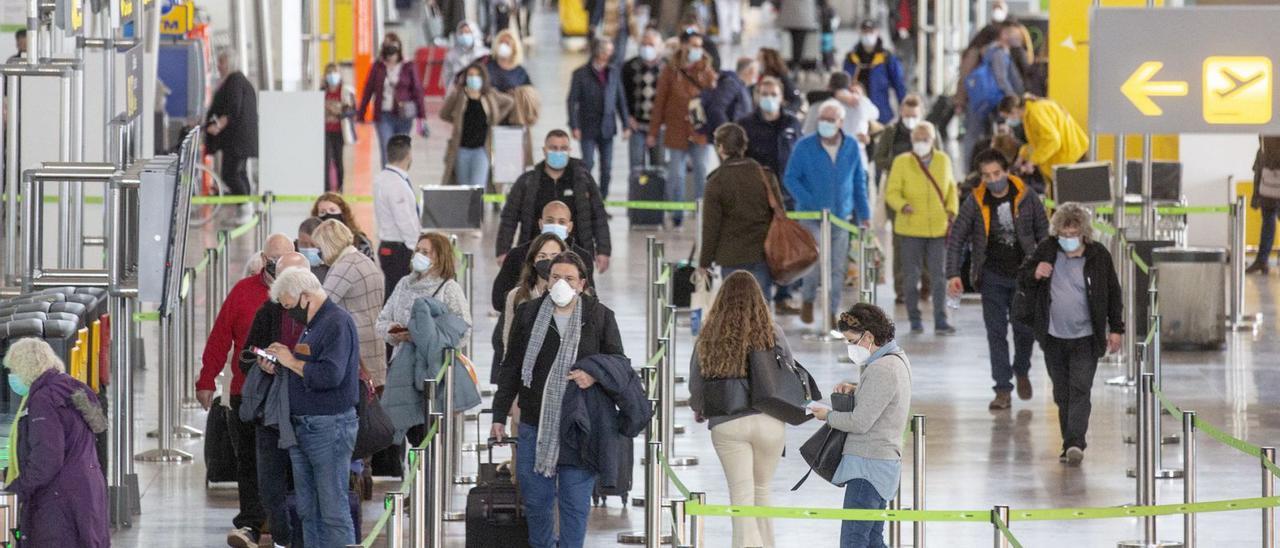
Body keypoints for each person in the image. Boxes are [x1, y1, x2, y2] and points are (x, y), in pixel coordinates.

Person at [490, 252, 625, 548]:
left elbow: (619, 363)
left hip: (579, 424)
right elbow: (511, 367)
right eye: (555, 277)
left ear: (582, 284)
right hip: (534, 423)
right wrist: (498, 415)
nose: (561, 283)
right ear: (546, 280)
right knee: (537, 502)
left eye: (569, 278)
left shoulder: (599, 317)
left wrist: (594, 374)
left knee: (574, 505)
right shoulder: (529, 314)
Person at [195, 233, 293, 548]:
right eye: (273, 258)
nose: (277, 265)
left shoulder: (303, 294)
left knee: (285, 460)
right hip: (246, 393)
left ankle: (284, 524)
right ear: (263, 259)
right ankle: (250, 523)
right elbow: (220, 337)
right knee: (248, 462)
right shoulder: (243, 292)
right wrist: (206, 380)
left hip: (288, 395)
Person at [687, 272, 792, 548]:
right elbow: (789, 371)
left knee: (741, 494)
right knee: (762, 490)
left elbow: (696, 384)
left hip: (727, 422)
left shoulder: (709, 335)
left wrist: (700, 408)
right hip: (769, 420)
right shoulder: (772, 331)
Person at [1019, 203, 1124, 464]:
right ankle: (1069, 442)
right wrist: (1035, 272)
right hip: (1053, 336)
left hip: (1087, 338)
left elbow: (1113, 292)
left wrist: (1116, 329)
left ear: (1084, 233)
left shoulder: (1098, 256)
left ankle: (1076, 442)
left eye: (1073, 234)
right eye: (1063, 235)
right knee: (1062, 393)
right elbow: (1023, 277)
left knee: (1080, 388)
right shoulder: (1047, 250)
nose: (1068, 239)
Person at [264, 268, 361, 548]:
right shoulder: (313, 324)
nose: (287, 313)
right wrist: (279, 361)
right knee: (308, 509)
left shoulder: (336, 322)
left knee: (332, 508)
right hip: (303, 427)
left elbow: (330, 375)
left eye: (288, 306)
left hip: (328, 428)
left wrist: (290, 361)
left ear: (305, 297)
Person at [946, 149, 1048, 410]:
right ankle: (1002, 388)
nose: (993, 180)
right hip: (991, 276)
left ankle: (1022, 368)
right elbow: (957, 238)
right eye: (987, 176)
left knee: (1024, 329)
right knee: (996, 333)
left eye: (997, 174)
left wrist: (1045, 265)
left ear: (1007, 171)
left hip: (1025, 276)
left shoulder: (1027, 197)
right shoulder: (975, 202)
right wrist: (953, 274)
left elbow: (1044, 233)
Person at [810, 304, 912, 548]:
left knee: (853, 541)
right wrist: (858, 389)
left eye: (851, 341)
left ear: (868, 336)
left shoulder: (881, 369)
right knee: (873, 540)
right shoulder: (897, 358)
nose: (850, 347)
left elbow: (859, 422)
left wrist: (828, 415)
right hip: (882, 466)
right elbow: (887, 398)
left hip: (867, 467)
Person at [237, 251, 312, 548]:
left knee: (304, 486)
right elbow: (246, 355)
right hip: (270, 413)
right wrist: (262, 361)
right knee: (270, 487)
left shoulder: (324, 313)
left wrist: (293, 362)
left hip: (307, 413)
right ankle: (283, 538)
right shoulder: (268, 310)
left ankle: (302, 541)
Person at [3, 338, 107, 548]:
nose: (11, 377)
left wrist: (13, 491)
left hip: (58, 502)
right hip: (85, 491)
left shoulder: (43, 400)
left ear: (26, 368)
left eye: (13, 370)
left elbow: (47, 459)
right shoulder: (69, 386)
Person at [784, 100, 872, 326]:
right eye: (822, 119)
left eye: (831, 120)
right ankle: (808, 299)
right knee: (813, 261)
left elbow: (858, 182)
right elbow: (790, 178)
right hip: (810, 216)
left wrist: (865, 214)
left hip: (841, 217)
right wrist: (809, 201)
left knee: (837, 266)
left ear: (841, 122)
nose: (826, 123)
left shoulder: (851, 146)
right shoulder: (804, 146)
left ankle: (832, 312)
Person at [497, 129, 612, 272]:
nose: (558, 152)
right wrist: (503, 250)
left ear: (569, 150)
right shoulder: (528, 181)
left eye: (563, 148)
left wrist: (603, 250)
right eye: (553, 148)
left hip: (577, 256)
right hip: (534, 255)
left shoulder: (584, 181)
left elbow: (599, 216)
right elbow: (509, 217)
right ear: (544, 150)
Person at [884, 121, 958, 334]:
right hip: (910, 229)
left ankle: (940, 320)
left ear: (933, 140)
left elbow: (951, 188)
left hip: (938, 227)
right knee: (910, 276)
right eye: (917, 139)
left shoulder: (943, 160)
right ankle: (914, 319)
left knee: (939, 275)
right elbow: (892, 192)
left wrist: (952, 211)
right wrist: (902, 205)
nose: (921, 143)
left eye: (925, 139)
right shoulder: (902, 162)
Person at [699, 123, 784, 300]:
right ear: (744, 146)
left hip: (731, 258)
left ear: (721, 147)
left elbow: (711, 228)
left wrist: (704, 263)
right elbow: (780, 213)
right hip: (762, 254)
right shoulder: (765, 176)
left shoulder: (716, 182)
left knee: (735, 312)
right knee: (761, 311)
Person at [648, 30, 716, 226]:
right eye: (692, 45)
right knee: (675, 174)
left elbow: (715, 103)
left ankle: (702, 211)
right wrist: (653, 132)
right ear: (683, 45)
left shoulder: (707, 71)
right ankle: (677, 214)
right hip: (676, 130)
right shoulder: (670, 71)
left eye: (699, 45)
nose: (696, 49)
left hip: (699, 132)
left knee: (701, 172)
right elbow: (659, 103)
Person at [313, 220, 388, 386]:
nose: (318, 253)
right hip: (373, 344)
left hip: (358, 352)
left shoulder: (345, 266)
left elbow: (321, 305)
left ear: (328, 245)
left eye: (319, 248)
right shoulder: (363, 260)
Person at [377, 232, 473, 359]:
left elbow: (463, 330)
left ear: (440, 257)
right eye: (417, 250)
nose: (418, 255)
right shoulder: (404, 284)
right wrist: (392, 330)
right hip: (402, 362)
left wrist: (422, 337)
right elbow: (382, 321)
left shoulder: (449, 288)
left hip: (434, 364)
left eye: (425, 252)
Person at [492, 232, 568, 384]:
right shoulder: (516, 297)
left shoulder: (574, 296)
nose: (548, 261)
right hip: (526, 376)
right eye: (542, 256)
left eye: (554, 256)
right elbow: (509, 340)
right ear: (533, 261)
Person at [492, 200, 595, 312]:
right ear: (541, 224)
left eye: (561, 222)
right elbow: (498, 300)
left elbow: (590, 301)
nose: (555, 225)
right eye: (550, 221)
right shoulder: (518, 255)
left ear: (569, 226)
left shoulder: (583, 258)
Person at [568, 37, 631, 200]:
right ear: (598, 52)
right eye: (606, 51)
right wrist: (574, 125)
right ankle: (586, 199)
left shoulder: (614, 73)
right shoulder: (580, 74)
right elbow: (572, 101)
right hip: (587, 126)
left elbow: (620, 100)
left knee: (607, 167)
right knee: (588, 164)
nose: (608, 54)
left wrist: (626, 124)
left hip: (607, 127)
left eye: (610, 51)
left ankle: (601, 200)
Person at [357, 32, 427, 166]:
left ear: (399, 48)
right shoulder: (378, 67)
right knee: (386, 150)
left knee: (401, 152)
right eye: (388, 46)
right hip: (383, 116)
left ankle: (400, 181)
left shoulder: (408, 66)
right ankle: (387, 183)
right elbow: (368, 90)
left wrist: (421, 115)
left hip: (404, 115)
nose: (391, 50)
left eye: (394, 47)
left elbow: (417, 90)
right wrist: (361, 113)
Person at [206, 47, 260, 223]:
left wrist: (218, 126)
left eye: (221, 62)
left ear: (228, 63)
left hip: (237, 140)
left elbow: (233, 108)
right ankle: (244, 208)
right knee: (239, 172)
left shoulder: (235, 81)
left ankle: (245, 207)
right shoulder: (238, 81)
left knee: (231, 173)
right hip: (240, 139)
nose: (219, 66)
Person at [962, 22, 1027, 166]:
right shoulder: (999, 52)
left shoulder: (988, 51)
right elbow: (1001, 79)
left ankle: (973, 167)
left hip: (981, 100)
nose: (1017, 40)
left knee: (975, 134)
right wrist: (1013, 97)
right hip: (994, 99)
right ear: (1003, 35)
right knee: (983, 135)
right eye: (1014, 35)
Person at [441, 62, 514, 187]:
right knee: (463, 188)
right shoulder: (459, 95)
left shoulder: (489, 95)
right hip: (461, 149)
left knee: (478, 187)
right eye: (470, 75)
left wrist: (495, 117)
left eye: (477, 75)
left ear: (482, 78)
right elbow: (444, 113)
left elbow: (509, 102)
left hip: (481, 150)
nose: (473, 78)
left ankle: (478, 207)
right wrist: (457, 120)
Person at [997, 94, 1088, 194]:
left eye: (1007, 117)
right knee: (1059, 201)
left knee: (1073, 201)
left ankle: (1103, 210)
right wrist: (1022, 155)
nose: (1008, 121)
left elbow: (1052, 141)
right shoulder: (1032, 111)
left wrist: (1032, 161)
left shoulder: (1035, 113)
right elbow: (1039, 143)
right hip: (1069, 157)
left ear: (1014, 111)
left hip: (1070, 160)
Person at [373, 134, 421, 299]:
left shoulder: (382, 178)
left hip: (389, 247)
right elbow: (404, 221)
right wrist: (417, 249)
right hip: (399, 250)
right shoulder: (396, 184)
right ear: (409, 156)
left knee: (393, 295)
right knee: (400, 298)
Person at [737, 76, 802, 184]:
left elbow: (800, 153)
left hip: (788, 190)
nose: (769, 98)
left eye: (773, 94)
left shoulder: (792, 122)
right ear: (758, 97)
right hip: (758, 188)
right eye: (765, 94)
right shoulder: (745, 125)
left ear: (781, 97)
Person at [842, 20, 907, 124]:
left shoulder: (887, 58)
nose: (868, 35)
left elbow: (900, 85)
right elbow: (843, 85)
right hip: (856, 114)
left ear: (877, 32)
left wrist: (905, 110)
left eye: (871, 32)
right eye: (865, 32)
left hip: (882, 114)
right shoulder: (851, 58)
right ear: (860, 33)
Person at [623, 28, 666, 171]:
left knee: (659, 167)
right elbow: (622, 96)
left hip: (660, 127)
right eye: (644, 44)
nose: (647, 48)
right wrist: (627, 117)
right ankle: (637, 193)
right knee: (636, 168)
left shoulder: (668, 68)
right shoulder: (629, 67)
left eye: (651, 45)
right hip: (637, 126)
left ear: (660, 47)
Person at [699, 57, 754, 145]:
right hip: (727, 140)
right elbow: (717, 109)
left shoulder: (741, 86)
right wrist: (727, 135)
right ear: (751, 71)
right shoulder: (732, 83)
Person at [310, 192, 376, 260]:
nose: (328, 214)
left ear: (343, 214)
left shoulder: (359, 240)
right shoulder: (312, 241)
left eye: (332, 210)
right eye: (322, 212)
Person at [322, 63, 356, 192]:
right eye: (329, 73)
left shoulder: (346, 91)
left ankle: (340, 187)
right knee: (325, 160)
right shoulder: (322, 91)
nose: (332, 76)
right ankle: (326, 188)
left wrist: (340, 112)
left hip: (339, 132)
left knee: (338, 160)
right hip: (325, 132)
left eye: (334, 73)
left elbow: (353, 110)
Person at [1249, 136, 1280, 274]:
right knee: (1268, 218)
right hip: (1268, 177)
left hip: (1270, 175)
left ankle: (1262, 260)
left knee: (1268, 218)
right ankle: (1262, 260)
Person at [757, 47, 802, 113]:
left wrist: (784, 112)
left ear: (768, 61)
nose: (757, 62)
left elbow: (796, 101)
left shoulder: (783, 79)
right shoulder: (757, 78)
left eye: (759, 59)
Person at [777, 0, 818, 67]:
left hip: (789, 17)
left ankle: (793, 65)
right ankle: (797, 64)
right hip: (804, 17)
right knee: (799, 45)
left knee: (789, 45)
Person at [296, 217, 330, 281]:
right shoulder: (290, 264)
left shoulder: (333, 269)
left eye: (313, 245)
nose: (308, 248)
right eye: (303, 244)